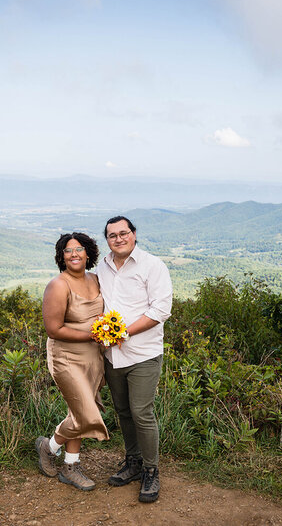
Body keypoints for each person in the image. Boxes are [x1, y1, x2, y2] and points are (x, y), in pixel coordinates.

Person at [96, 215, 172, 503]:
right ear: (107, 240)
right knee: (123, 411)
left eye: (123, 233)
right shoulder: (102, 267)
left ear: (134, 234)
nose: (118, 238)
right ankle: (134, 462)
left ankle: (152, 471)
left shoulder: (153, 265)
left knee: (141, 411)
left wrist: (123, 332)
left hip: (143, 353)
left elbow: (160, 310)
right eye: (112, 235)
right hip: (112, 355)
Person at [36, 232, 109, 491]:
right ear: (62, 257)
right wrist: (91, 335)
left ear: (88, 253)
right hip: (66, 357)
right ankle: (51, 448)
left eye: (79, 249)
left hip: (93, 357)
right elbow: (53, 329)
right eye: (68, 251)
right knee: (84, 413)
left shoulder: (97, 280)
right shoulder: (58, 285)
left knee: (79, 411)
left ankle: (66, 462)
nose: (74, 254)